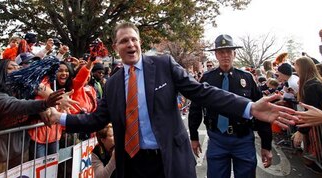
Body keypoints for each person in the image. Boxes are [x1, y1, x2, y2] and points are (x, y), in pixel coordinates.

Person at [47, 22, 297, 178]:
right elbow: (96, 119)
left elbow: (202, 92)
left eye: (134, 39)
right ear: (116, 47)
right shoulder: (112, 84)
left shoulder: (163, 65)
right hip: (133, 165)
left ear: (140, 43)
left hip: (169, 161)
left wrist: (250, 107)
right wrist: (60, 118)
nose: (131, 44)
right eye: (124, 41)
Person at [188, 34, 272, 178]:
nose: (225, 55)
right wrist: (194, 137)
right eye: (221, 52)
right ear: (216, 55)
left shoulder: (247, 78)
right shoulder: (207, 79)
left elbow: (261, 111)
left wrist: (266, 145)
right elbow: (195, 109)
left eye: (229, 51)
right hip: (217, 139)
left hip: (243, 140)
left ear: (234, 53)